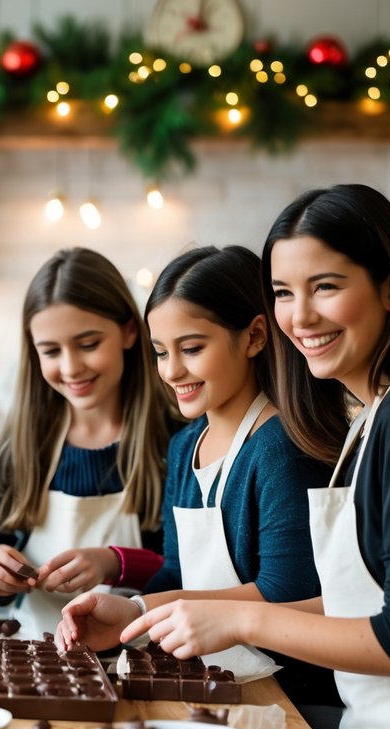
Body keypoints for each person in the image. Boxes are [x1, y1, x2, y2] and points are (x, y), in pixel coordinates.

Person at [102, 186, 390, 729]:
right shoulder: (372, 417)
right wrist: (155, 612)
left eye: (327, 285)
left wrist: (243, 622)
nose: (301, 316)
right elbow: (360, 606)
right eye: (284, 292)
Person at [57, 246, 335, 702]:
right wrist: (130, 610)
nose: (171, 371)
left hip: (286, 696)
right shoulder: (185, 445)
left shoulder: (281, 449)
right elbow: (176, 571)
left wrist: (141, 609)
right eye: (161, 352)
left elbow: (284, 593)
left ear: (254, 336)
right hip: (208, 685)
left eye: (191, 348)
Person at [0, 248, 171, 639]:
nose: (72, 367)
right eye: (52, 351)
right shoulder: (24, 447)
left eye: (89, 344)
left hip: (145, 654)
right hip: (35, 651)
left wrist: (113, 564)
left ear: (129, 331)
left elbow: (188, 571)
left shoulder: (172, 440)